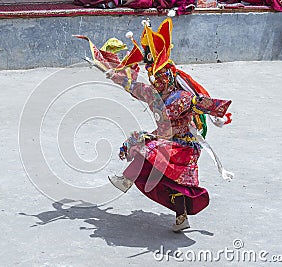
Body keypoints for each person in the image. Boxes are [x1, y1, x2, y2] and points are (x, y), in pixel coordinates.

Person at [75, 17, 232, 232]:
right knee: (149, 155)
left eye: (159, 76)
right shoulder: (152, 94)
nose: (155, 80)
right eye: (152, 76)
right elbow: (130, 85)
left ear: (169, 75)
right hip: (165, 140)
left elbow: (199, 103)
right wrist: (108, 69)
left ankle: (130, 183)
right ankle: (169, 209)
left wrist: (217, 108)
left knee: (154, 157)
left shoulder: (182, 97)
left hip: (184, 147)